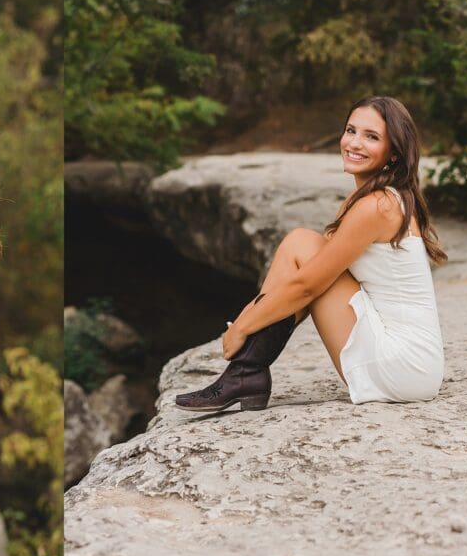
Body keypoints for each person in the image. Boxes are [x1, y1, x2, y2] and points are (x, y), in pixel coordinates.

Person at [175, 95, 447, 412]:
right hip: (409, 363)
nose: (354, 143)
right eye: (351, 130)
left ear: (394, 154)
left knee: (302, 245)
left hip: (405, 365)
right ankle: (246, 373)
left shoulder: (378, 206)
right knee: (299, 243)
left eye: (371, 137)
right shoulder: (371, 198)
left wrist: (242, 326)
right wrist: (251, 317)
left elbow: (308, 286)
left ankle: (245, 372)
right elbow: (304, 285)